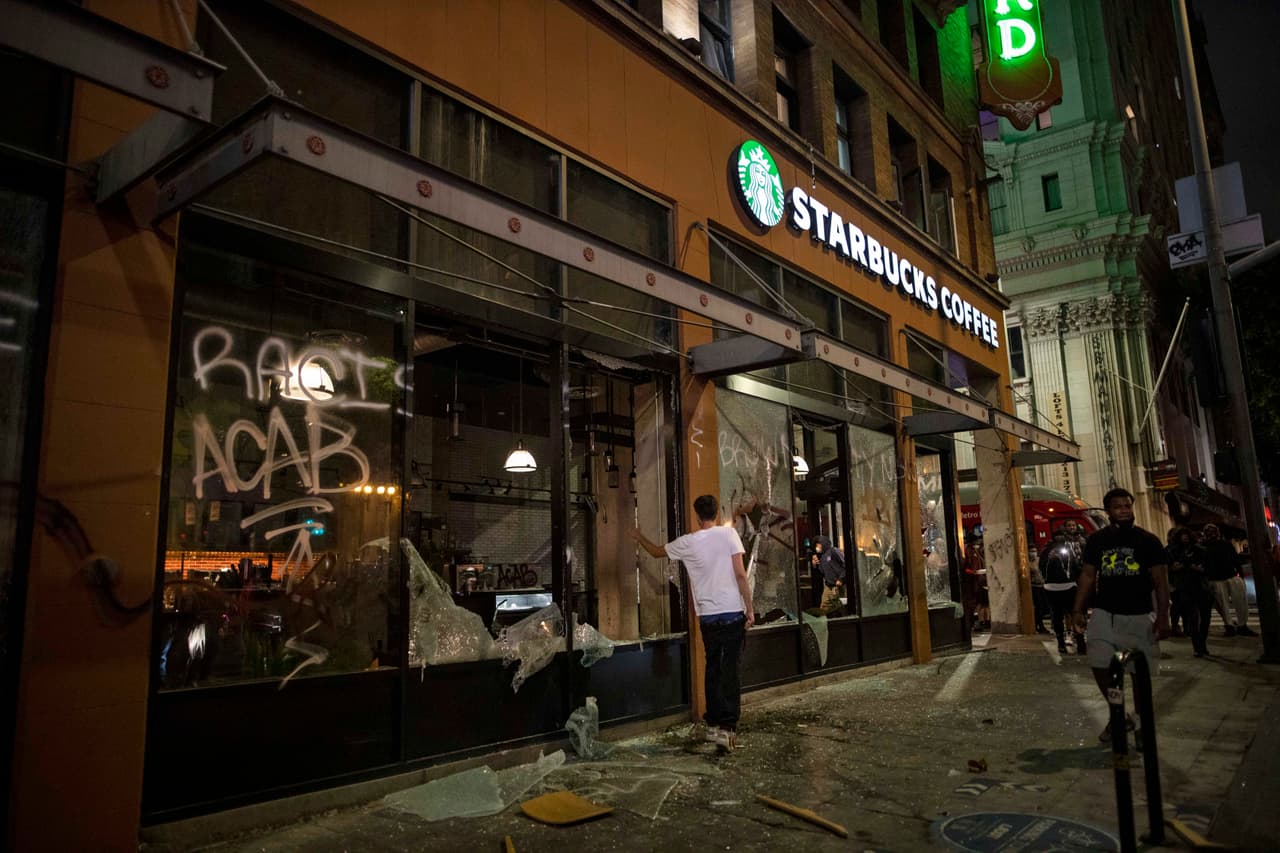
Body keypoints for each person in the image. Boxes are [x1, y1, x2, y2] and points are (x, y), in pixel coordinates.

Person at [631, 494, 753, 752]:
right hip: (732, 612)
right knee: (729, 670)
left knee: (713, 668)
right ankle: (727, 728)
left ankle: (712, 724)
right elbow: (741, 575)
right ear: (716, 515)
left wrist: (639, 536)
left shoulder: (687, 542)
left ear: (698, 517)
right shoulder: (729, 535)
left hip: (708, 617)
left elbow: (655, 552)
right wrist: (750, 610)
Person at [1073, 487, 1170, 745]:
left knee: (1140, 676)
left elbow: (1161, 581)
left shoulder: (1148, 541)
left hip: (1139, 615)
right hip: (1106, 614)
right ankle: (1120, 715)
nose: (1124, 510)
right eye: (1118, 507)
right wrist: (1078, 609)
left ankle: (1139, 725)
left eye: (1127, 506)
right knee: (1099, 664)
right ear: (1109, 511)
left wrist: (1163, 616)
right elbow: (1087, 575)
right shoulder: (1097, 541)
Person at [1201, 524, 1256, 637]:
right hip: (1221, 578)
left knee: (1229, 604)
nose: (1212, 534)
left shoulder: (1207, 546)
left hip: (1222, 578)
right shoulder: (1214, 546)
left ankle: (1233, 626)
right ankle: (1235, 626)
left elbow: (1235, 560)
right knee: (1229, 604)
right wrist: (1240, 575)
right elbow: (1235, 560)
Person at [1167, 526, 1211, 657]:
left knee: (1205, 617)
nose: (1185, 537)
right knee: (1192, 618)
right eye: (1182, 535)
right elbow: (1170, 568)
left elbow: (1208, 568)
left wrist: (1198, 569)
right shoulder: (1173, 551)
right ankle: (1197, 646)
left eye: (1186, 534)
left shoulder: (1200, 550)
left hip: (1200, 586)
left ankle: (1201, 642)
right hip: (1185, 587)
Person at [1040, 529, 1085, 654]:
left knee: (1064, 615)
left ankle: (1071, 643)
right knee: (1065, 615)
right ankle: (1070, 643)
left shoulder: (1057, 550)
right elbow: (1043, 568)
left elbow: (1075, 566)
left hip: (1060, 587)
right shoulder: (1052, 551)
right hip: (1060, 587)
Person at [812, 535, 846, 615]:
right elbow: (821, 572)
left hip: (836, 585)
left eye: (818, 545)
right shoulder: (822, 557)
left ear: (823, 543)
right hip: (828, 586)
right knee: (825, 606)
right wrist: (814, 564)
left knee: (834, 606)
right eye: (816, 546)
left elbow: (845, 564)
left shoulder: (833, 551)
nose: (817, 547)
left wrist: (841, 579)